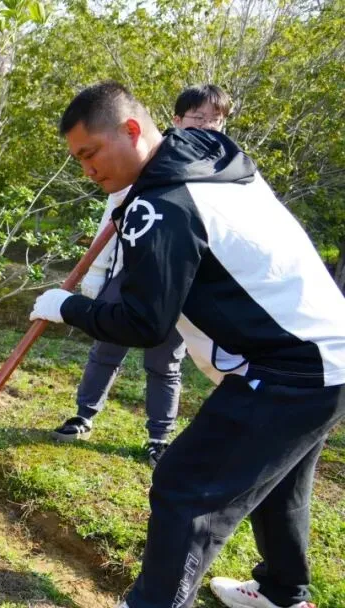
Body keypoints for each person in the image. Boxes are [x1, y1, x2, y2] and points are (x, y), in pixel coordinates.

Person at [30, 81, 345, 608]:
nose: (87, 171)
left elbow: (144, 323)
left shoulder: (162, 206)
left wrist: (68, 308)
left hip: (292, 366)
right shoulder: (207, 150)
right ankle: (282, 593)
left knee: (185, 488)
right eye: (78, 160)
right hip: (328, 345)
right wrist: (129, 193)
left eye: (90, 153)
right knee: (281, 481)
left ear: (132, 130)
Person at [51, 84, 234, 469]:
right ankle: (84, 414)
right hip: (127, 274)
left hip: (182, 287)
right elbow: (110, 224)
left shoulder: (218, 172)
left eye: (215, 120)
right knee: (106, 346)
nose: (207, 126)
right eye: (198, 118)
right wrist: (95, 277)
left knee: (165, 362)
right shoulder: (137, 167)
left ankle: (158, 437)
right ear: (177, 120)